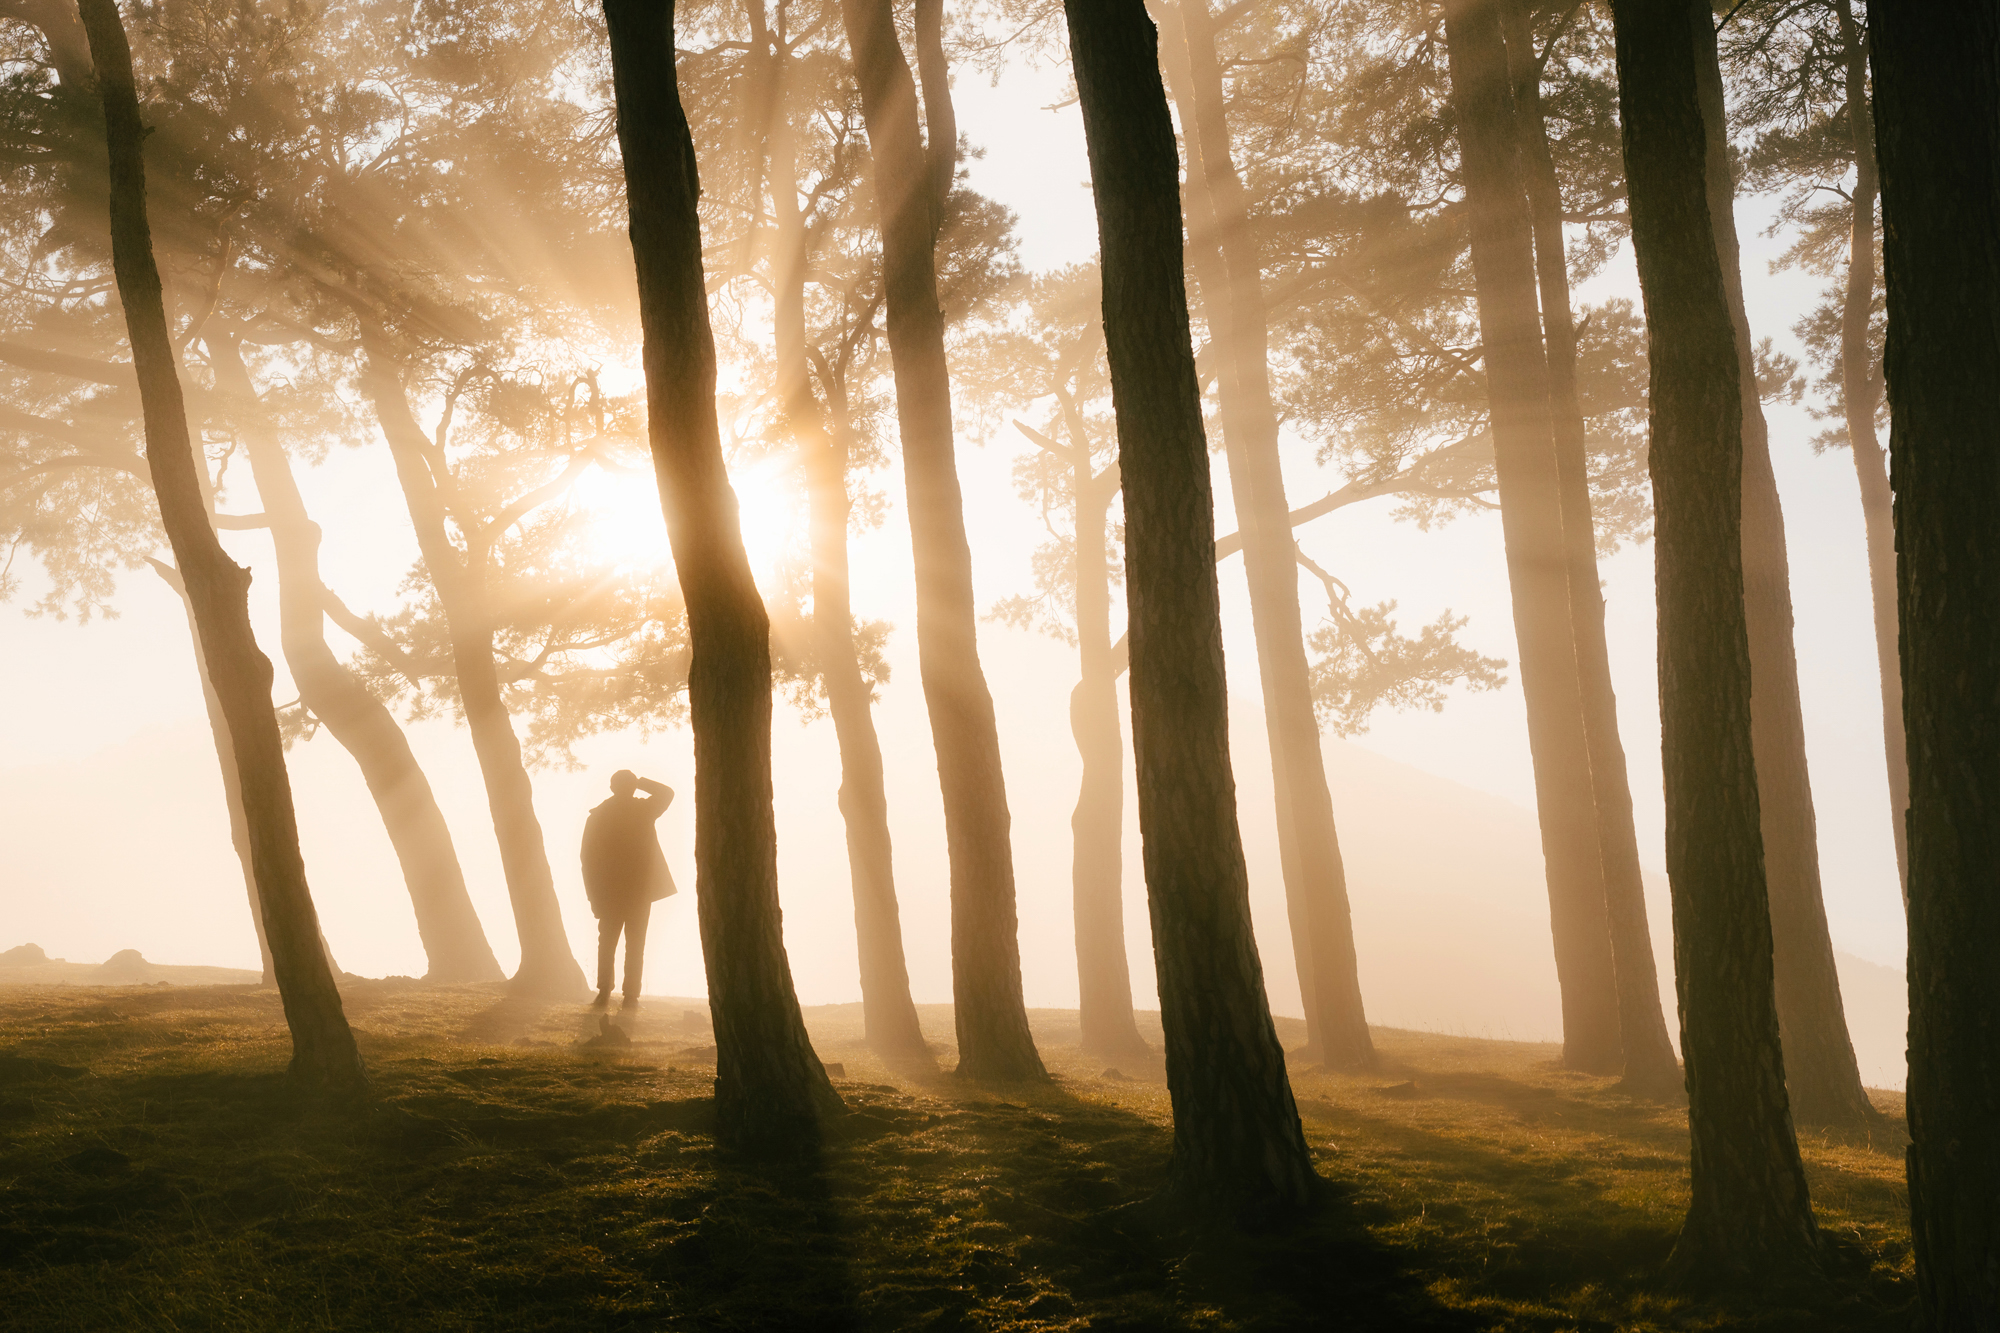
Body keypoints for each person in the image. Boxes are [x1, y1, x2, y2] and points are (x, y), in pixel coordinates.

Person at [580, 769, 676, 1010]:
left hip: (610, 891)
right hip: (637, 890)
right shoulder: (643, 811)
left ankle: (604, 993)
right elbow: (667, 793)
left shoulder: (599, 815)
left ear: (611, 788)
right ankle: (630, 998)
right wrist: (640, 782)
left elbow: (587, 859)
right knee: (635, 945)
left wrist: (593, 896)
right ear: (631, 787)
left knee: (608, 943)